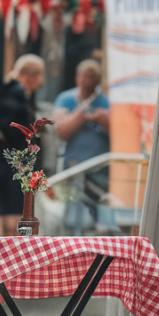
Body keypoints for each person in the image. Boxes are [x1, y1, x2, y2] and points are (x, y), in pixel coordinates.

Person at [0, 54, 45, 236]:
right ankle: (11, 258)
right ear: (32, 77)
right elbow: (17, 131)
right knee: (14, 217)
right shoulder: (15, 96)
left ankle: (2, 257)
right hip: (13, 166)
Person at [52, 60, 110, 232]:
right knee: (70, 214)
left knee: (96, 216)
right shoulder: (66, 99)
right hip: (73, 168)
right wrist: (81, 114)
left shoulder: (106, 102)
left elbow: (118, 134)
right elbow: (61, 131)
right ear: (78, 79)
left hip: (100, 171)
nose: (86, 81)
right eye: (84, 77)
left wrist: (103, 119)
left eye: (92, 77)